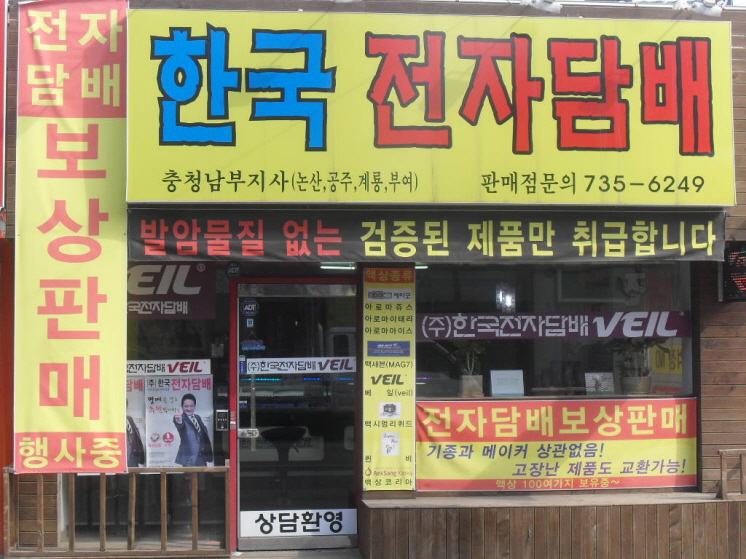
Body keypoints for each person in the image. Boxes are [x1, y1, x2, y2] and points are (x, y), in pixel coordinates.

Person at [173, 393, 213, 466]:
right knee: (189, 473)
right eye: (186, 406)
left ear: (195, 406)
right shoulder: (181, 418)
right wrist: (178, 420)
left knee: (203, 473)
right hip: (189, 457)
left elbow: (202, 434)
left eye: (191, 406)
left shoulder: (197, 417)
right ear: (182, 406)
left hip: (201, 456)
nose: (189, 409)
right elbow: (180, 425)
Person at [126, 399, 145, 467]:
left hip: (134, 457)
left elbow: (135, 436)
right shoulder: (114, 421)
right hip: (123, 458)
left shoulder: (129, 419)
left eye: (125, 405)